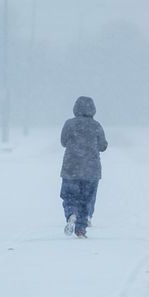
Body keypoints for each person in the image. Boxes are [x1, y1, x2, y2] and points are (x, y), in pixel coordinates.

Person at [59, 96, 108, 238]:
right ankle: (80, 229)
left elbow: (63, 142)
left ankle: (71, 214)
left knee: (69, 196)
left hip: (70, 168)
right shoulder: (96, 126)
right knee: (86, 199)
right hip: (91, 170)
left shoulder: (69, 124)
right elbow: (102, 145)